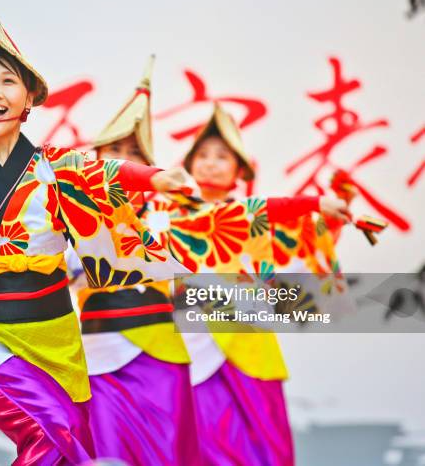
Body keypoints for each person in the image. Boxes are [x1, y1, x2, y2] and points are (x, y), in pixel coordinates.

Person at [0, 15, 190, 465]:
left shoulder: (56, 168)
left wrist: (155, 178)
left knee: (70, 448)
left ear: (28, 99)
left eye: (8, 81)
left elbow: (103, 174)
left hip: (58, 338)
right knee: (51, 431)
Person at [142, 103, 350, 465]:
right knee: (201, 441)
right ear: (189, 165)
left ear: (239, 169)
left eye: (221, 156)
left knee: (264, 444)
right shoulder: (163, 216)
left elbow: (306, 247)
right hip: (190, 342)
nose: (210, 163)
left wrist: (331, 214)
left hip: (248, 340)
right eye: (202, 155)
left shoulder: (259, 217)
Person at [69, 56, 201, 465]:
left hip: (161, 359)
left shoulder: (171, 222)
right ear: (96, 161)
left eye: (134, 154)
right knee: (107, 455)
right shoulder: (71, 219)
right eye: (115, 152)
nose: (124, 162)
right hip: (99, 355)